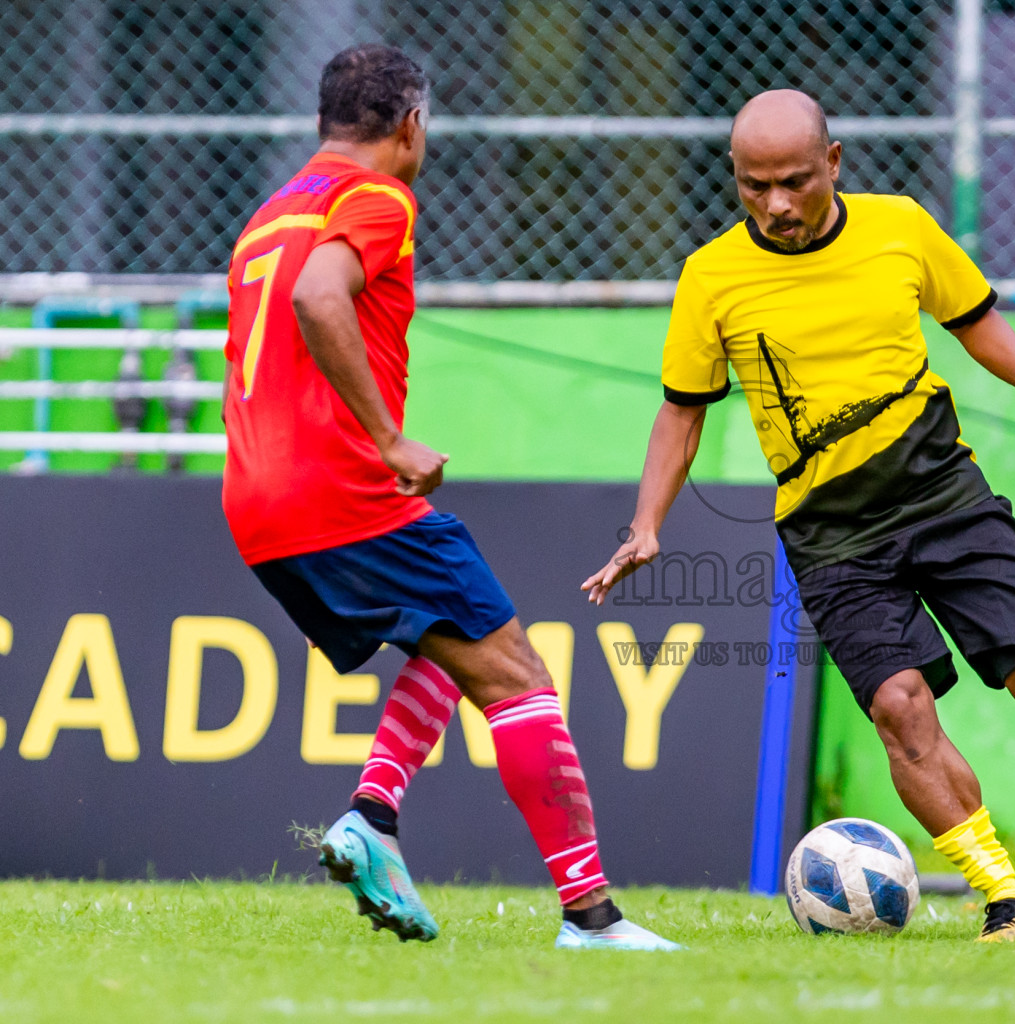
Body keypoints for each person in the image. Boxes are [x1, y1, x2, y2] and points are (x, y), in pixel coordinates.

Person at [582, 89, 1015, 941]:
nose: (776, 204)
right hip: (831, 532)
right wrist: (648, 522)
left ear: (836, 164)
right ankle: (1006, 898)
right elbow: (683, 409)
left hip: (944, 496)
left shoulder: (901, 226)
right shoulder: (711, 277)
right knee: (899, 706)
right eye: (753, 186)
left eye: (795, 182)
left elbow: (974, 317)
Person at [220, 44, 676, 951]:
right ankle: (591, 919)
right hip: (344, 490)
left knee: (463, 638)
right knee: (520, 676)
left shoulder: (271, 214)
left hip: (255, 501)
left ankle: (374, 821)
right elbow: (320, 298)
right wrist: (388, 441)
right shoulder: (378, 197)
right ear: (411, 125)